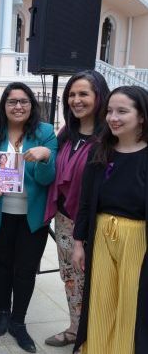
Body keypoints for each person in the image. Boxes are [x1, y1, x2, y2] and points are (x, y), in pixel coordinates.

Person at [72, 86, 148, 354]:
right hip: (102, 234)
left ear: (141, 116)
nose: (113, 117)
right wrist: (79, 243)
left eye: (122, 111)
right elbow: (85, 202)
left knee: (131, 306)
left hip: (138, 239)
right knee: (101, 300)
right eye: (110, 111)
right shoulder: (100, 151)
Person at [0, 82, 57, 353]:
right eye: (12, 101)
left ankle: (18, 321)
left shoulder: (45, 133)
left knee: (25, 271)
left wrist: (45, 156)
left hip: (32, 216)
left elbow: (48, 180)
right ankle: (3, 311)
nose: (18, 106)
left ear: (32, 105)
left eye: (23, 101)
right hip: (1, 214)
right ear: (4, 105)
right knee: (2, 265)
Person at [43, 70, 109, 348]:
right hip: (64, 221)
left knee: (95, 281)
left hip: (95, 225)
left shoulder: (109, 137)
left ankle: (94, 336)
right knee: (71, 278)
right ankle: (75, 329)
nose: (76, 100)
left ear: (99, 96)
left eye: (83, 94)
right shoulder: (67, 133)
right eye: (72, 94)